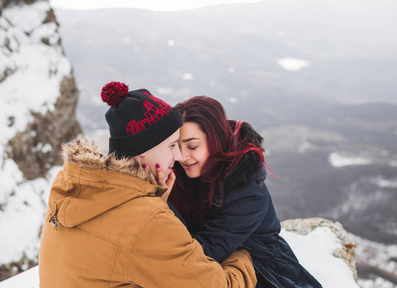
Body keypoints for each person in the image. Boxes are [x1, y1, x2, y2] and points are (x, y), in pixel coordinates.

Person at [38, 82, 257, 287]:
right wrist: (244, 255)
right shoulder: (147, 221)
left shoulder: (73, 185)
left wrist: (154, 202)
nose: (179, 155)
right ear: (143, 150)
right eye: (172, 145)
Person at [168, 95, 322, 288]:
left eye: (192, 146)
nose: (182, 157)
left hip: (260, 270)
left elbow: (205, 252)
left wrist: (163, 202)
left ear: (216, 140)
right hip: (214, 265)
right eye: (176, 146)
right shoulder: (178, 173)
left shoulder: (248, 191)